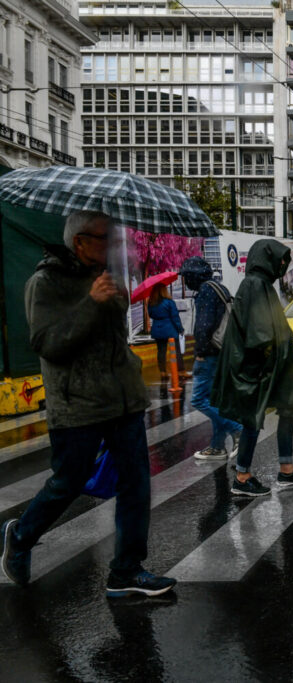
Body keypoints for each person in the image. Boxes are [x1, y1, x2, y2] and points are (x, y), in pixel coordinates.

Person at [0, 210, 176, 597]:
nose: (112, 245)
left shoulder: (106, 278)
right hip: (77, 406)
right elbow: (48, 343)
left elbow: (116, 336)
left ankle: (126, 571)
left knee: (136, 485)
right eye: (103, 238)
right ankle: (21, 535)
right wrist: (92, 303)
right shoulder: (43, 283)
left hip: (122, 401)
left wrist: (112, 300)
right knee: (68, 483)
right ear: (78, 241)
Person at [210, 239, 293, 496]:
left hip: (273, 366)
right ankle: (242, 478)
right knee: (251, 419)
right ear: (267, 258)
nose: (283, 264)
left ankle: (286, 469)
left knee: (288, 407)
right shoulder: (256, 285)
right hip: (260, 368)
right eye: (281, 259)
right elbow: (261, 333)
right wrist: (273, 359)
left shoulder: (262, 285)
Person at [181, 257, 243, 460]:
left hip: (209, 353)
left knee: (199, 399)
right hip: (221, 351)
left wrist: (199, 353)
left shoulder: (206, 291)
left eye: (186, 277)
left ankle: (237, 429)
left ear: (193, 276)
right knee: (215, 400)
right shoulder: (219, 287)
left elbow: (204, 326)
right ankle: (217, 446)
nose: (185, 281)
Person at [147, 283, 184, 381]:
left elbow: (150, 315)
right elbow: (175, 317)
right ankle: (180, 371)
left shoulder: (151, 302)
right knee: (176, 351)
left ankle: (163, 372)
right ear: (164, 291)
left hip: (157, 329)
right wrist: (180, 329)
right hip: (170, 329)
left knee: (161, 352)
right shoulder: (169, 302)